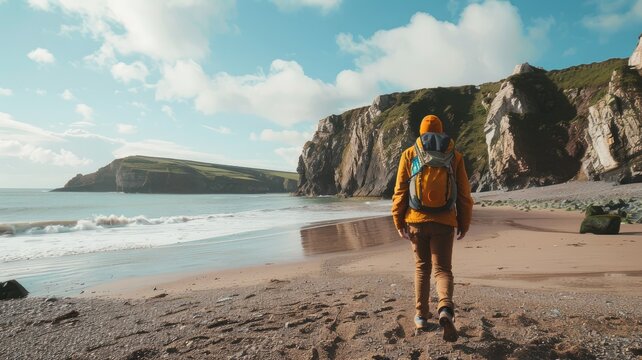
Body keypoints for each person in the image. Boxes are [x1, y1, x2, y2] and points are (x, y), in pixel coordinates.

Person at [391, 114, 473, 342]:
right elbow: (465, 194)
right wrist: (463, 222)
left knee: (422, 268)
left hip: (416, 221)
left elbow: (399, 192)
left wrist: (398, 221)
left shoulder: (409, 154)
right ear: (441, 131)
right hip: (445, 221)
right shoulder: (454, 156)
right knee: (443, 270)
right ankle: (445, 309)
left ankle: (420, 316)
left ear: (421, 133)